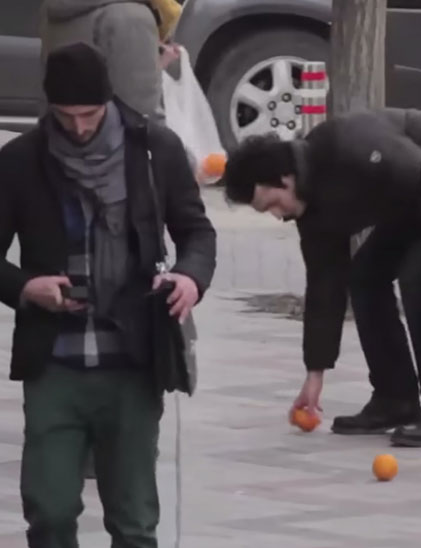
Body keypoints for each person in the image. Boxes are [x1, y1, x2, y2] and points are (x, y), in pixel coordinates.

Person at [0, 43, 217, 547]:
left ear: (109, 102)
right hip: (54, 360)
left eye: (90, 114)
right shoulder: (20, 160)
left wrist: (189, 277)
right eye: (65, 115)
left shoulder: (153, 150)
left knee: (134, 521)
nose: (78, 127)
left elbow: (197, 232)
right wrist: (25, 289)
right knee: (49, 513)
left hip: (133, 358)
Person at [221, 109, 421, 447]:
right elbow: (324, 283)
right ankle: (395, 398)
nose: (277, 215)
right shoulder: (310, 206)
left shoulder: (353, 147)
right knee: (364, 277)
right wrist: (314, 373)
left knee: (418, 278)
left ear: (285, 179)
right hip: (411, 205)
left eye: (272, 203)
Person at [39, 0, 165, 123]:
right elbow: (140, 107)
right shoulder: (131, 17)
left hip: (56, 134)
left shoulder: (56, 9)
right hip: (115, 139)